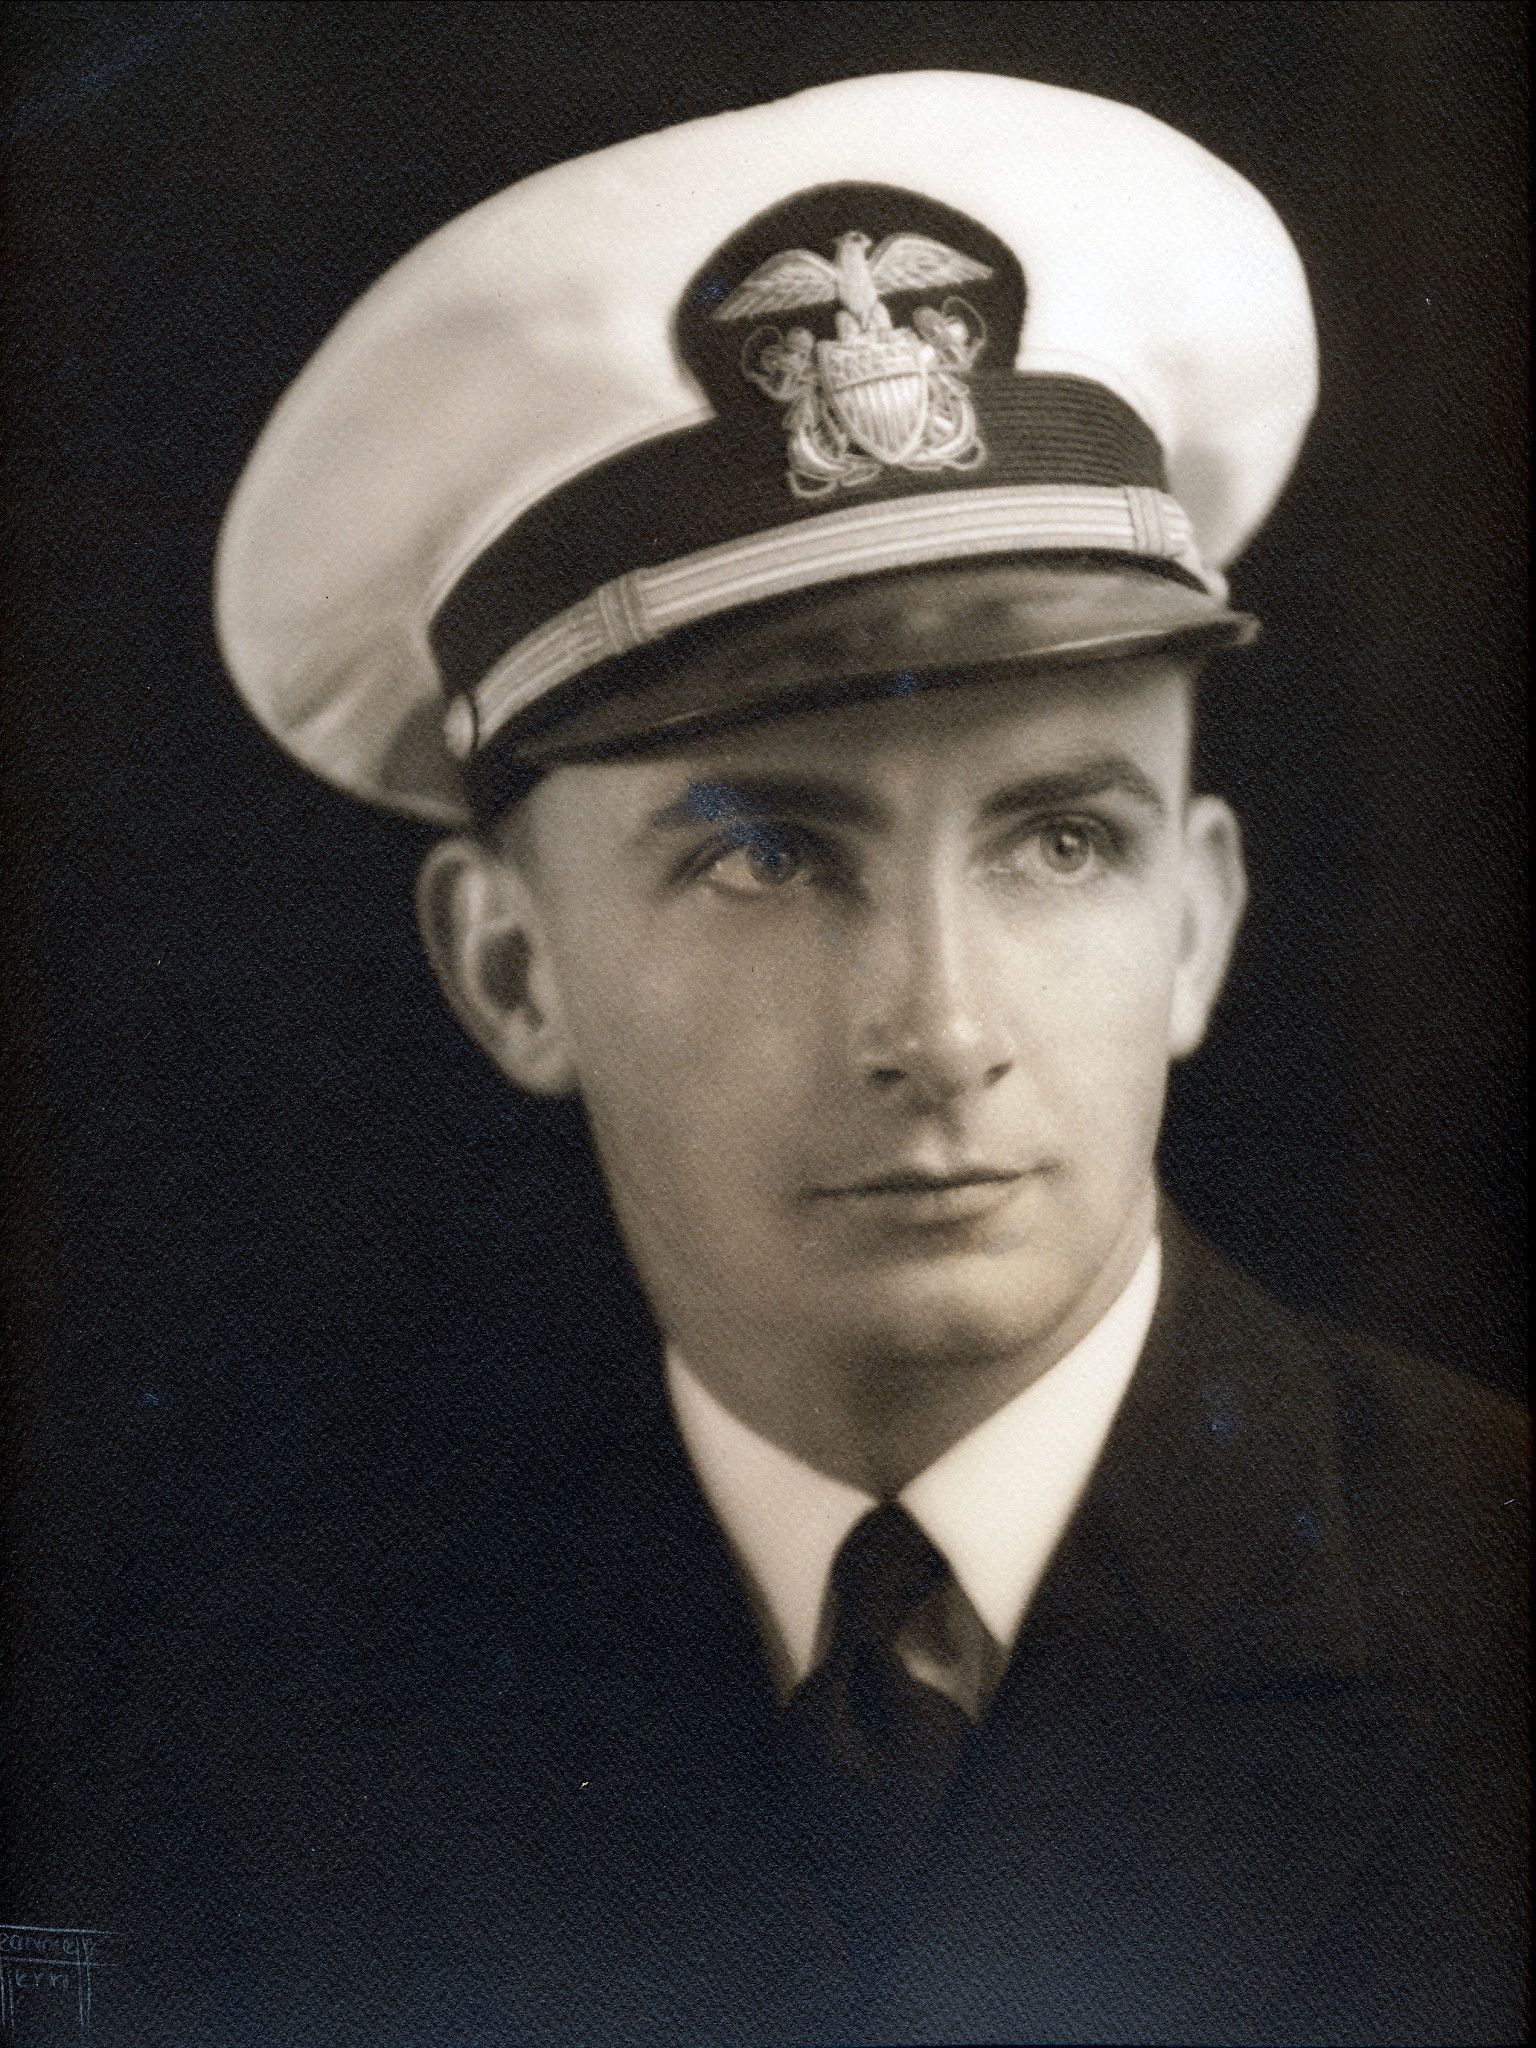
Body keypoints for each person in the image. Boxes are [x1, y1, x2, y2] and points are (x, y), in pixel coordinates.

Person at [215, 70, 1527, 2047]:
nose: (942, 1033)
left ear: (1196, 922)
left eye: (1060, 842)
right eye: (767, 856)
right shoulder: (264, 1724)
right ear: (511, 969)